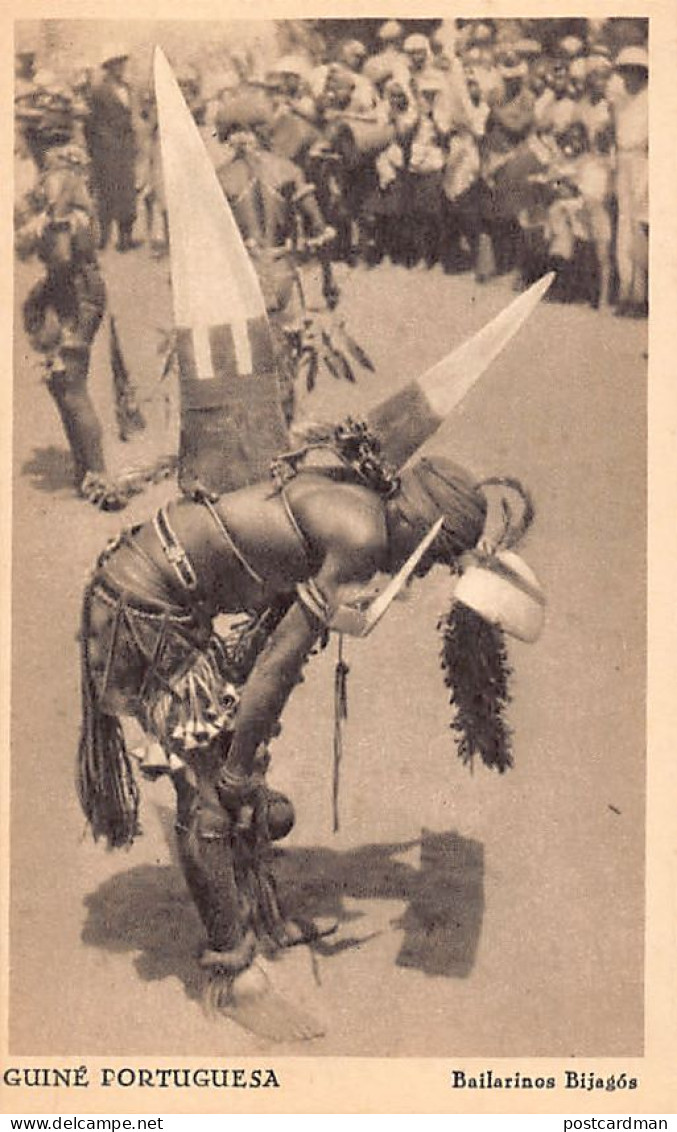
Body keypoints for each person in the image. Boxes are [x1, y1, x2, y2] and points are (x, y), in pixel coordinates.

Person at [78, 420, 535, 1039]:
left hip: (163, 595)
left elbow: (268, 598)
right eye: (433, 562)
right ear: (424, 534)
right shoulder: (365, 537)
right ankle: (234, 976)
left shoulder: (361, 497)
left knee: (254, 793)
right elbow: (276, 665)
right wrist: (236, 769)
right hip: (144, 612)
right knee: (212, 801)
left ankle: (258, 916)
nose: (424, 574)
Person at [607, 45, 648, 317]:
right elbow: (614, 133)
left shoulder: (652, 99)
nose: (629, 77)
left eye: (635, 71)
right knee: (623, 223)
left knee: (639, 226)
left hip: (645, 161)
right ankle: (625, 290)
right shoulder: (620, 100)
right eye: (625, 71)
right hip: (623, 160)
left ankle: (641, 293)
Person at [86, 47, 139, 251]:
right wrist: (99, 144)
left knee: (127, 191)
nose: (120, 67)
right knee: (107, 191)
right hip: (105, 148)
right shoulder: (99, 91)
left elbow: (131, 115)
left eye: (122, 63)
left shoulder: (128, 88)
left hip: (125, 146)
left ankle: (125, 237)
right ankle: (104, 237)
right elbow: (90, 122)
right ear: (108, 67)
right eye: (116, 64)